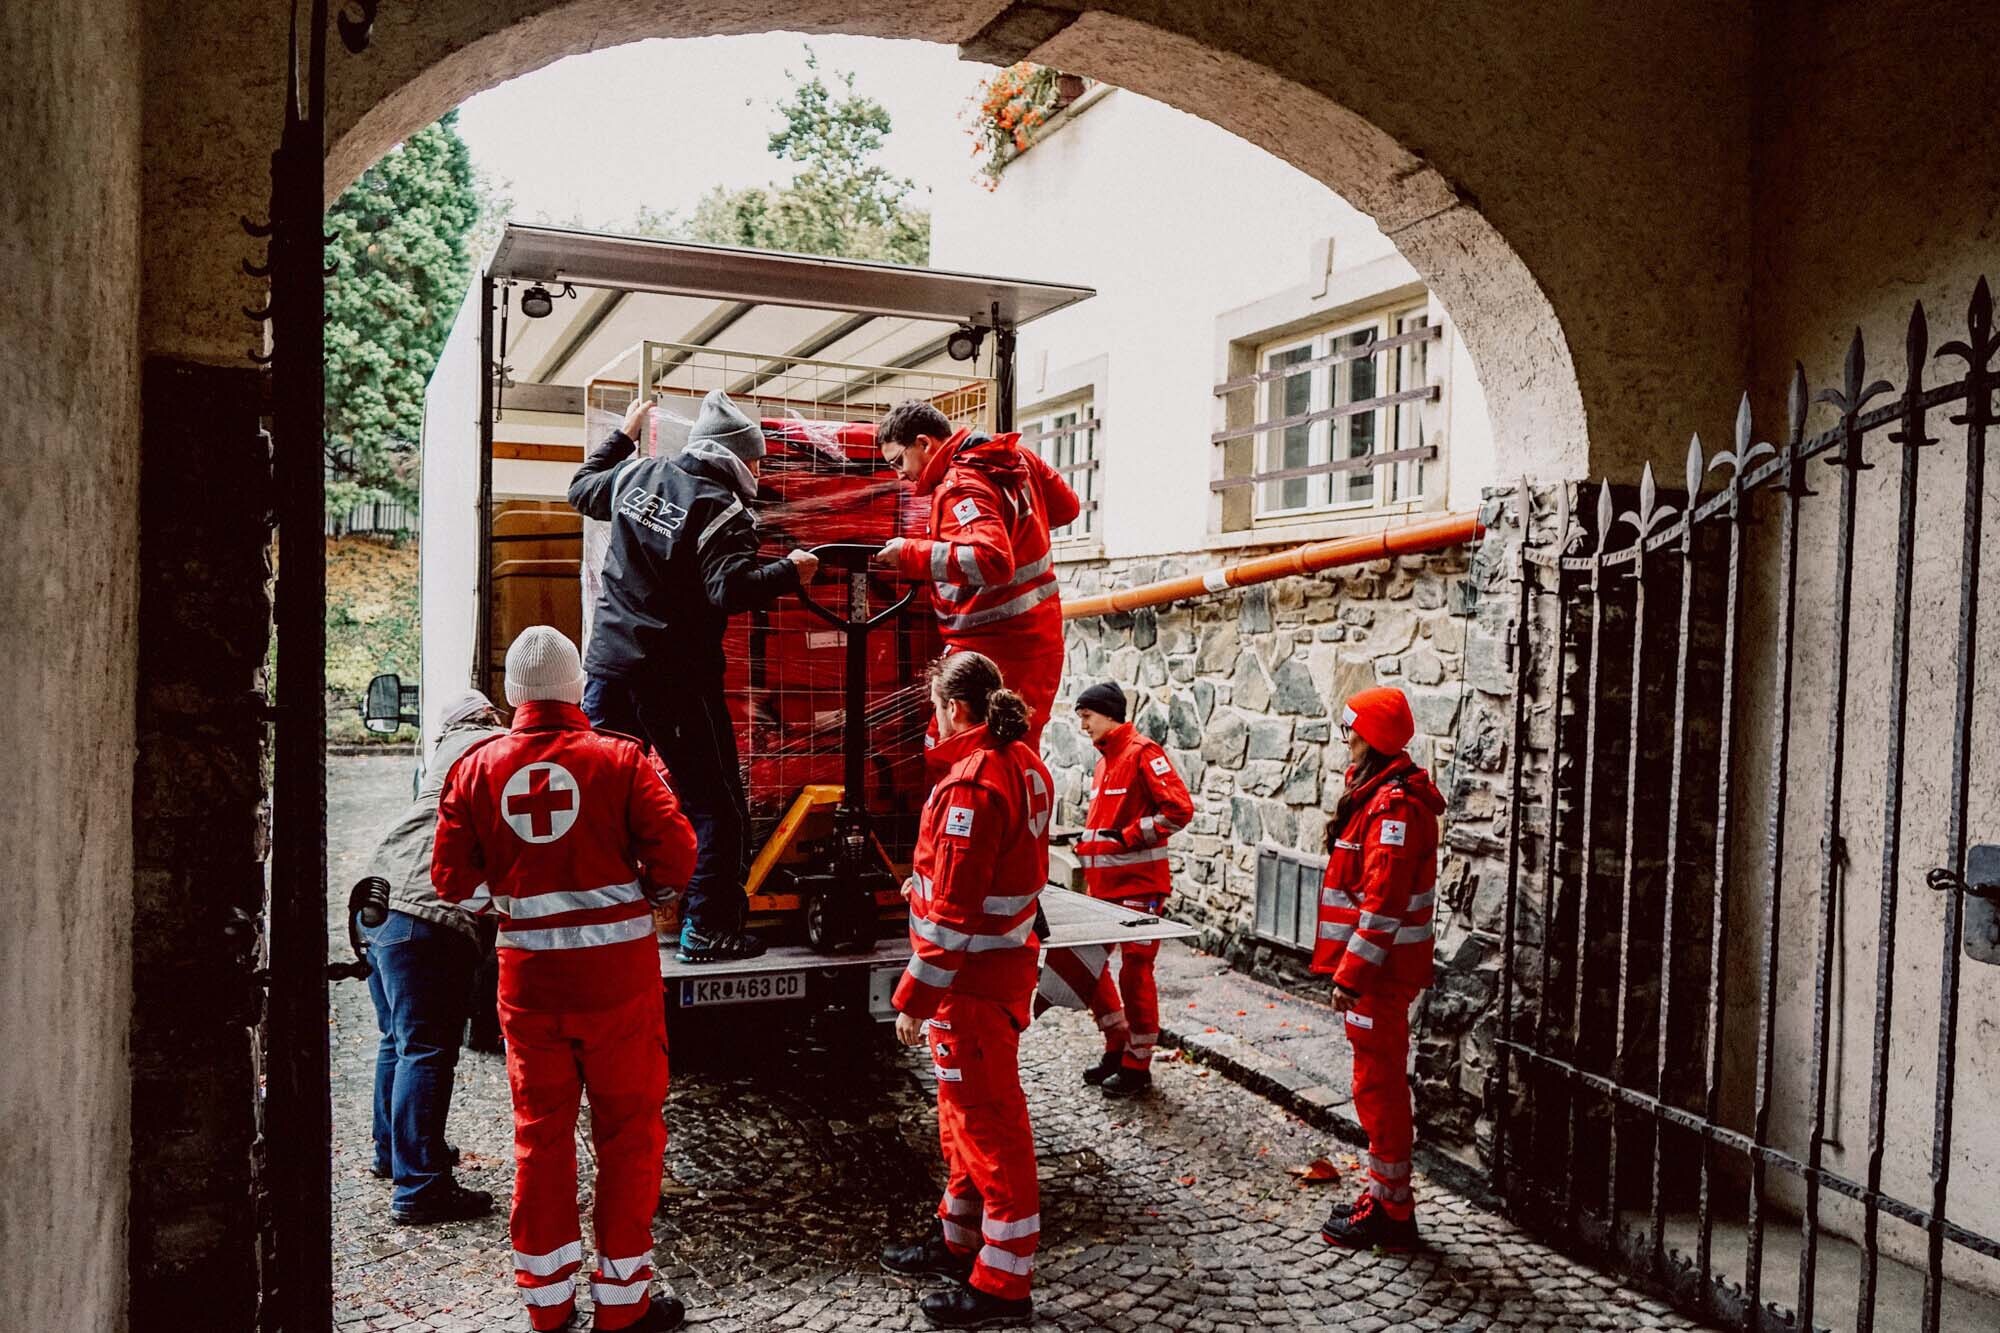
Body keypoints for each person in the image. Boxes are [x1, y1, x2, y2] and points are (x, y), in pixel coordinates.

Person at [432, 627, 699, 1333]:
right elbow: (678, 852)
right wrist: (649, 892)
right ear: (578, 687)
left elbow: (449, 882)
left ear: (514, 696)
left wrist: (505, 904)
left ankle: (547, 1307)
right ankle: (623, 1306)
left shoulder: (476, 768)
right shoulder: (622, 760)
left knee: (539, 1137)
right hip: (618, 987)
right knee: (628, 1137)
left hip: (530, 989)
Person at [568, 388, 819, 964]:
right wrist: (791, 570)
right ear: (733, 457)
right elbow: (727, 591)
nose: (758, 471)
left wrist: (624, 436)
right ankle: (707, 930)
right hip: (674, 681)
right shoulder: (723, 509)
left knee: (603, 797)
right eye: (755, 460)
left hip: (608, 670)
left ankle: (596, 918)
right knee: (717, 807)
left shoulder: (637, 476)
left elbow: (582, 490)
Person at [880, 652, 1053, 1330]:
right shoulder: (1023, 764)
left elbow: (953, 918)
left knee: (987, 1126)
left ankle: (1003, 1282)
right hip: (996, 974)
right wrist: (921, 885)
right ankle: (959, 1238)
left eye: (934, 705)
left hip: (969, 986)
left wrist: (912, 1001)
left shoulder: (972, 785)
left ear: (955, 708)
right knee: (961, 1120)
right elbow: (984, 879)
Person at [357, 688, 505, 1224]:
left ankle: (393, 1155)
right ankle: (420, 1187)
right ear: (487, 715)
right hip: (426, 913)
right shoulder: (496, 744)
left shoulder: (440, 757)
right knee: (427, 1048)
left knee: (397, 1039)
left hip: (376, 897)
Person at [871, 400, 1079, 757]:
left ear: (924, 443)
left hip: (991, 646)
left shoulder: (960, 486)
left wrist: (910, 553)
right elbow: (1068, 507)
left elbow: (992, 560)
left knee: (957, 753)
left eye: (898, 462)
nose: (900, 475)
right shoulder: (1015, 458)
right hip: (1036, 638)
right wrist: (1021, 529)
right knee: (1015, 751)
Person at [1312, 685, 1443, 1253]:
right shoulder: (1377, 793)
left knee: (1379, 1085)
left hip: (1380, 977)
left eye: (1353, 731)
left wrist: (1352, 975)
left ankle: (1393, 1210)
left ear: (1373, 738)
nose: (1348, 742)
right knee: (1375, 1082)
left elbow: (1383, 903)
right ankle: (1386, 1197)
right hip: (1377, 974)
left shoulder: (1394, 806)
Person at [1069, 681, 1194, 1099]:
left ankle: (1138, 1066)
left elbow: (1179, 811)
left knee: (1136, 972)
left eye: (1087, 715)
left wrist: (1127, 836)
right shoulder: (1105, 762)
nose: (1082, 724)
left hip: (1140, 887)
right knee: (1082, 965)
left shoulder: (1143, 753)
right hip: (1103, 889)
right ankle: (1117, 1044)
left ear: (1108, 714)